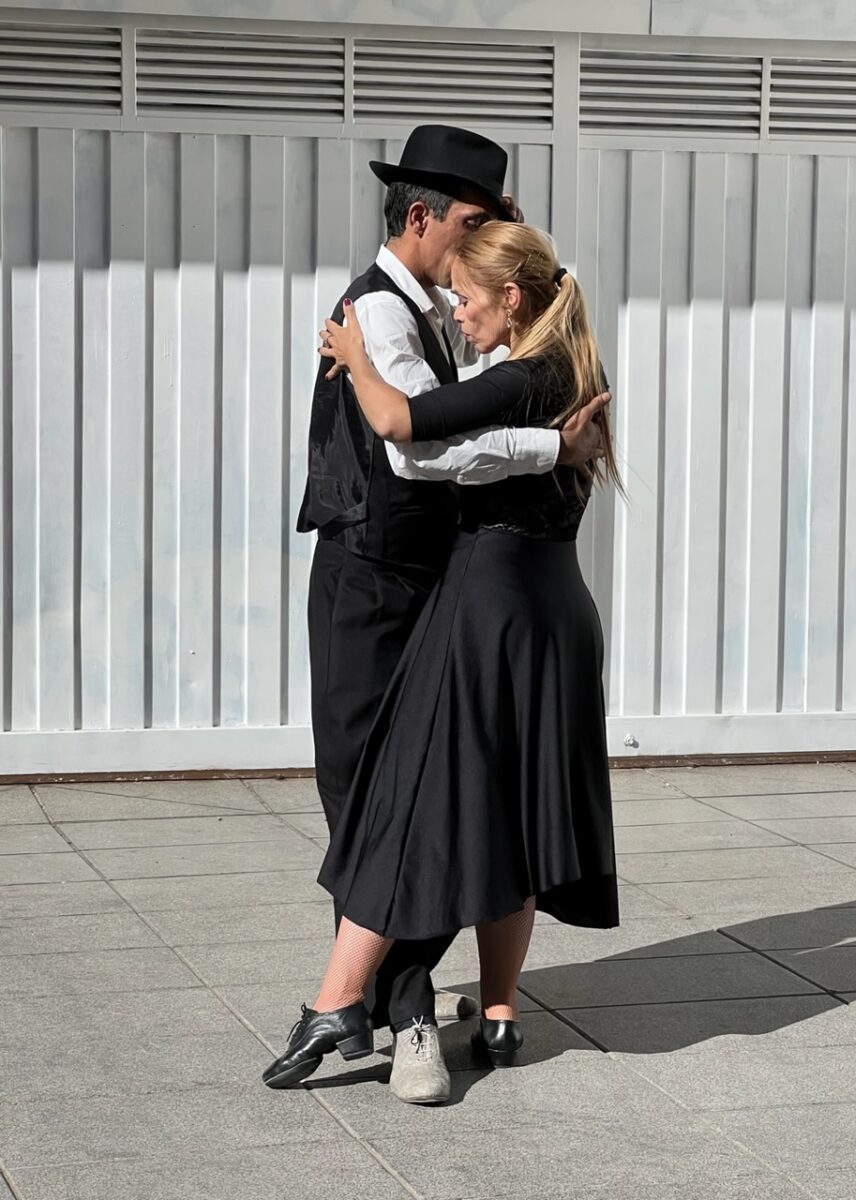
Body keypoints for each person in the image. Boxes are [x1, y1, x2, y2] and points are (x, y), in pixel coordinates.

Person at [264, 220, 620, 1095]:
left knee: (405, 800)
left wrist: (356, 355)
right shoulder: (573, 368)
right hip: (555, 613)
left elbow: (403, 424)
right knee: (515, 814)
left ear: (513, 298)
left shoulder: (520, 378)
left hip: (484, 610)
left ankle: (338, 1001)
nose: (455, 313)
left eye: (467, 297)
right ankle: (498, 1013)